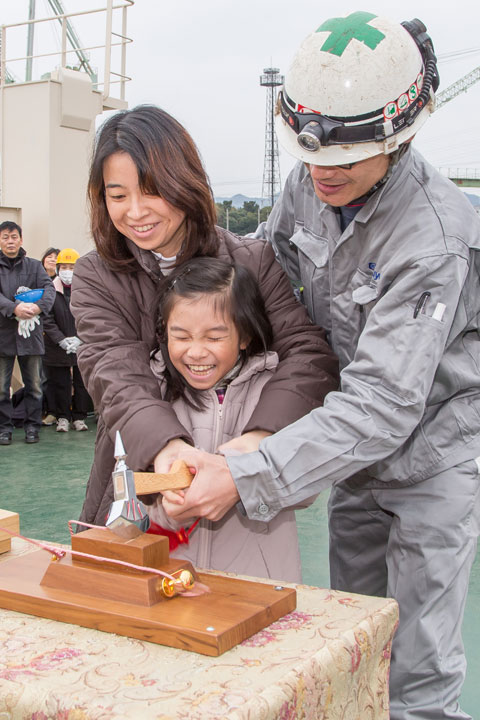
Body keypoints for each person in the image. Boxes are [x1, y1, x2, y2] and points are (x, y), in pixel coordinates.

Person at [161, 13, 480, 720]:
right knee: (352, 640)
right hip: (350, 458)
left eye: (345, 160)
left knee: (419, 671)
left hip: (430, 455)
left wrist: (246, 474)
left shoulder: (433, 235)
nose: (322, 175)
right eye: (311, 159)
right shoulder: (309, 186)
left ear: (400, 138)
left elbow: (385, 406)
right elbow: (262, 275)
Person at [70, 104, 339, 528]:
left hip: (242, 488)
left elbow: (309, 354)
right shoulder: (96, 275)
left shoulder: (252, 260)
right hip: (143, 483)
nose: (135, 212)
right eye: (118, 196)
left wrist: (255, 443)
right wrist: (168, 448)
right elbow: (112, 370)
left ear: (184, 182)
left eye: (152, 190)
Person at [146, 256, 317, 582]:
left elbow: (306, 486)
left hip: (258, 582)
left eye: (214, 337)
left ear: (244, 336)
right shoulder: (153, 394)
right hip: (173, 580)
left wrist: (237, 475)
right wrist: (166, 501)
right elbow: (131, 483)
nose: (195, 352)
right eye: (181, 336)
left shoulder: (276, 393)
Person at [0, 221, 55, 444]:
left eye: (14, 236)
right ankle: (4, 428)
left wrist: (38, 307)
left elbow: (49, 289)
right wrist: (14, 308)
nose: (10, 241)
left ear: (21, 240)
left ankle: (33, 427)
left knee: (34, 386)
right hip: (3, 335)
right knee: (2, 389)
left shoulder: (34, 266)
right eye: (5, 237)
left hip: (30, 336)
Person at [43, 248, 90, 433]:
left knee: (82, 382)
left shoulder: (86, 290)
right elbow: (46, 319)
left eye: (72, 267)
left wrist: (80, 338)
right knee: (60, 383)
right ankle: (62, 417)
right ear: (58, 267)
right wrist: (61, 340)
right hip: (57, 347)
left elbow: (90, 316)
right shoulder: (50, 290)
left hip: (82, 345)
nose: (67, 271)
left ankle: (79, 417)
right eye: (64, 266)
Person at [40, 247, 60, 425]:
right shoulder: (38, 279)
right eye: (49, 256)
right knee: (44, 378)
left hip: (61, 339)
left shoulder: (64, 283)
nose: (52, 260)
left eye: (56, 257)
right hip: (42, 337)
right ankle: (49, 410)